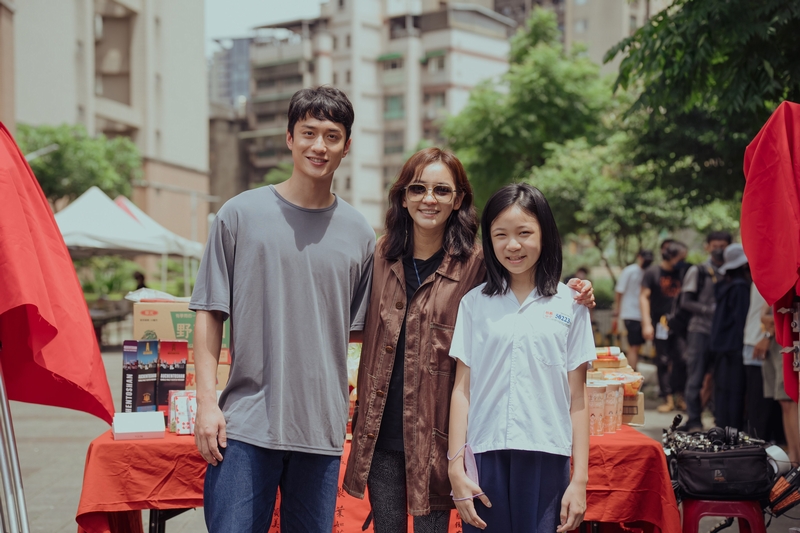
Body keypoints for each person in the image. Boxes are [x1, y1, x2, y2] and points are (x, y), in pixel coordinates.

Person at [342, 150, 595, 532]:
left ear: (458, 198)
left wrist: (574, 292)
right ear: (403, 196)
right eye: (418, 188)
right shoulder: (380, 254)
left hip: (437, 434)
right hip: (380, 430)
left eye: (442, 190)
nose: (429, 199)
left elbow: (524, 288)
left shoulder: (477, 264)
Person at [189, 87, 376, 532]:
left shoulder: (360, 234)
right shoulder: (239, 214)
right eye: (308, 133)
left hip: (321, 430)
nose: (319, 146)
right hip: (245, 425)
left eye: (332, 136)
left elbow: (355, 334)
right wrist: (206, 404)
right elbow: (210, 312)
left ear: (347, 146)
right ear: (289, 138)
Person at [447, 184, 595, 533]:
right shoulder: (474, 304)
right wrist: (455, 466)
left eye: (524, 233)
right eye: (500, 235)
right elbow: (462, 390)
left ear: (545, 234)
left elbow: (578, 398)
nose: (512, 245)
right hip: (485, 455)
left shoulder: (571, 304)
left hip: (547, 453)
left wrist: (580, 480)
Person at [679, 231, 730, 432]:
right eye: (715, 246)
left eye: (723, 246)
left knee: (721, 379)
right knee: (695, 377)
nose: (719, 250)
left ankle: (720, 420)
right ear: (707, 247)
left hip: (723, 335)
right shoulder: (698, 271)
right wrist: (710, 310)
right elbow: (685, 301)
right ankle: (694, 420)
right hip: (700, 331)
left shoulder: (732, 271)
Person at [641, 240, 688, 413]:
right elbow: (644, 297)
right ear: (670, 256)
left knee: (682, 359)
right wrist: (646, 323)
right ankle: (667, 397)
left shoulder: (683, 272)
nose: (683, 261)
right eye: (680, 258)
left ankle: (681, 396)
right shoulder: (652, 272)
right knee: (662, 360)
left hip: (680, 323)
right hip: (660, 323)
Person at [709, 243, 750, 430]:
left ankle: (722, 428)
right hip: (735, 346)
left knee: (722, 388)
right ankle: (733, 431)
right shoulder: (740, 288)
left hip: (720, 346)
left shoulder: (723, 286)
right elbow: (741, 318)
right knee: (735, 391)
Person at [759, 299, 800, 465]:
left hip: (787, 333)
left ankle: (797, 459)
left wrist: (768, 332)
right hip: (776, 334)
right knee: (784, 401)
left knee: (790, 399)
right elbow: (764, 311)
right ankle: (794, 457)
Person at [613, 249, 653, 370]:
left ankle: (633, 370)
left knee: (638, 345)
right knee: (634, 346)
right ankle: (632, 371)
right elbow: (619, 291)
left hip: (643, 315)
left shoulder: (649, 272)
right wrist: (617, 309)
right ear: (639, 257)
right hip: (631, 313)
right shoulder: (630, 271)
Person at [742, 284, 771, 438]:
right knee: (755, 400)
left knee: (762, 401)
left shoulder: (774, 272)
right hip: (753, 340)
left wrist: (766, 336)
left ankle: (760, 442)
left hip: (761, 341)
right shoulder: (757, 275)